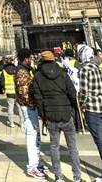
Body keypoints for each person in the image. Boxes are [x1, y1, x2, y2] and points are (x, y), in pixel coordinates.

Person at [33, 50, 82, 182]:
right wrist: (71, 107)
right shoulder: (62, 73)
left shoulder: (37, 76)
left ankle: (58, 177)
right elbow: (72, 93)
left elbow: (38, 98)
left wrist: (43, 115)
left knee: (54, 146)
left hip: (50, 114)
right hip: (65, 112)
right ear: (54, 59)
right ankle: (77, 177)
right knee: (72, 146)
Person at [15, 48, 45, 179]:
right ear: (25, 58)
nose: (32, 59)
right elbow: (24, 92)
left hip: (29, 106)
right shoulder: (21, 72)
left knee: (35, 134)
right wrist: (33, 105)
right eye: (30, 57)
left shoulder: (24, 70)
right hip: (28, 107)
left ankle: (37, 163)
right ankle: (32, 167)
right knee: (31, 136)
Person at [77, 45, 102, 182]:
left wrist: (82, 104)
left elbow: (83, 92)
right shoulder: (98, 68)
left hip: (92, 108)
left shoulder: (84, 69)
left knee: (100, 140)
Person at [0, 56, 24, 128]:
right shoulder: (17, 70)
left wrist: (4, 88)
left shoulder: (4, 72)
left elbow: (2, 82)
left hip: (9, 92)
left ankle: (11, 123)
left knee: (10, 107)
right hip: (17, 92)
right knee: (20, 107)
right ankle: (22, 123)